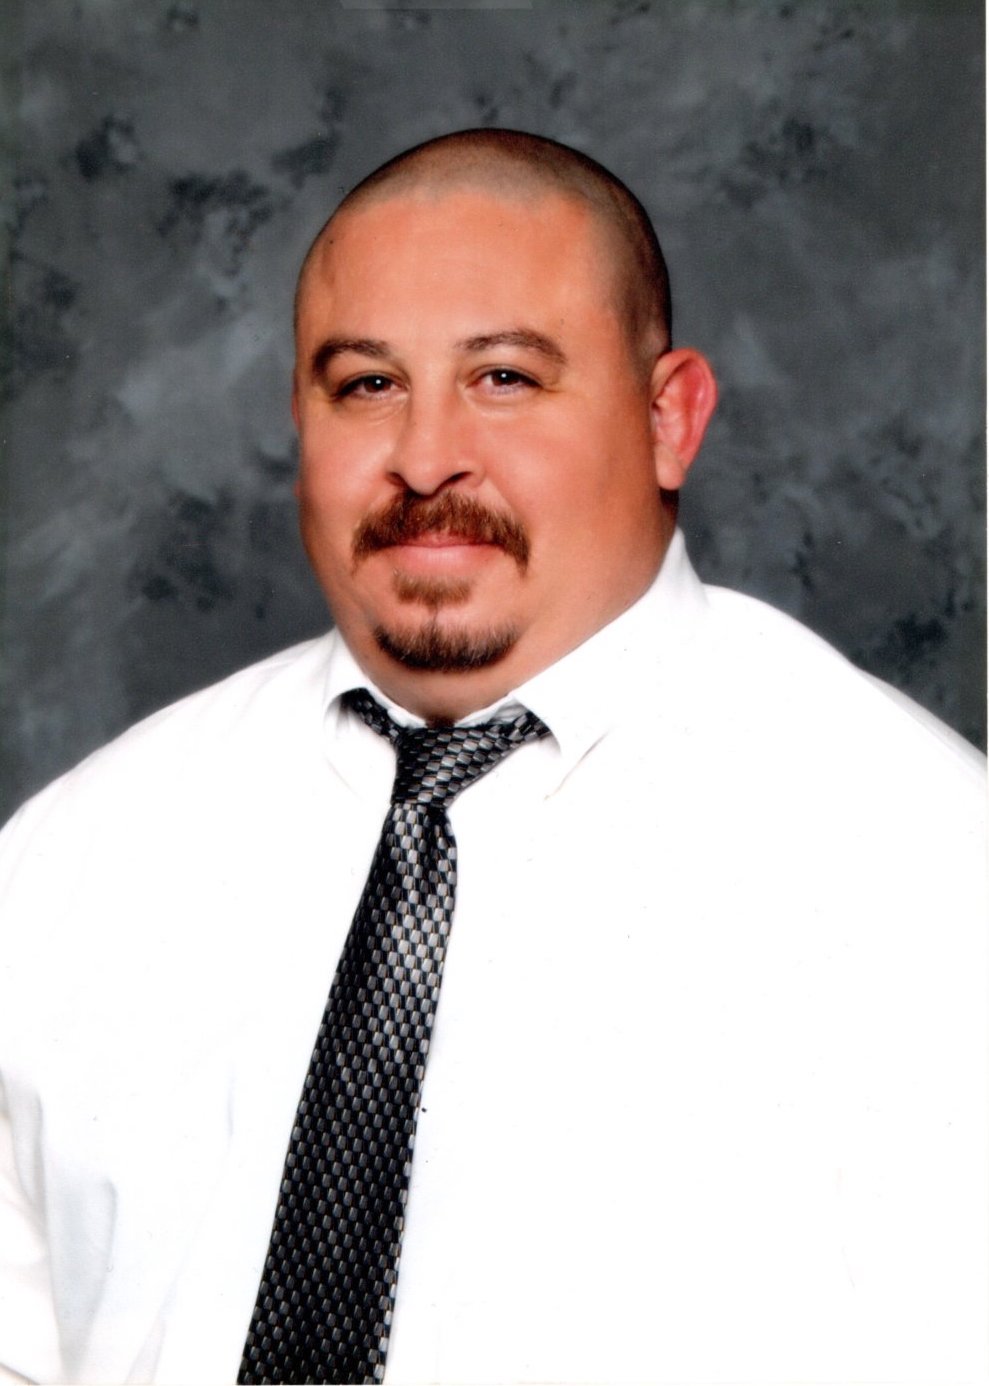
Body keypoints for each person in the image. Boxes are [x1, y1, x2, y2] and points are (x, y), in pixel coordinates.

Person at [0, 128, 984, 1386]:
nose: (423, 458)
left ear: (668, 417)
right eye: (364, 384)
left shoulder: (927, 880)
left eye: (505, 378)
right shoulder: (76, 862)